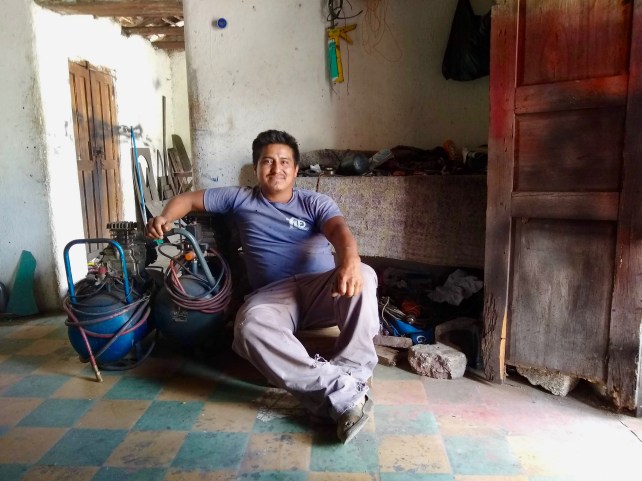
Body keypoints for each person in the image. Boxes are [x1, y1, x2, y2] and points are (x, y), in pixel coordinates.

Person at [146, 129, 380, 444]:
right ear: (256, 168)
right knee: (248, 326)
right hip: (274, 297)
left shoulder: (314, 201)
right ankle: (345, 394)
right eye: (268, 161)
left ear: (296, 170)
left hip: (322, 291)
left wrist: (349, 259)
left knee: (363, 274)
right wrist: (165, 218)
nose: (276, 168)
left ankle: (353, 373)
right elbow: (186, 200)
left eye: (284, 162)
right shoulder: (239, 197)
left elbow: (339, 230)